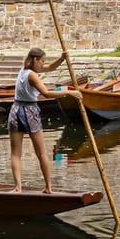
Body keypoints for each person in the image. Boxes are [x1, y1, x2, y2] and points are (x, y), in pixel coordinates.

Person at [8, 45, 78, 192]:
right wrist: (69, 93)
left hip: (15, 109)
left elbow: (50, 68)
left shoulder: (24, 70)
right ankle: (48, 188)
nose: (43, 64)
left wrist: (62, 59)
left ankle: (17, 187)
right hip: (29, 110)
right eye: (42, 61)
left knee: (15, 153)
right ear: (35, 59)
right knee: (41, 152)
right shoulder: (32, 75)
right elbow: (46, 93)